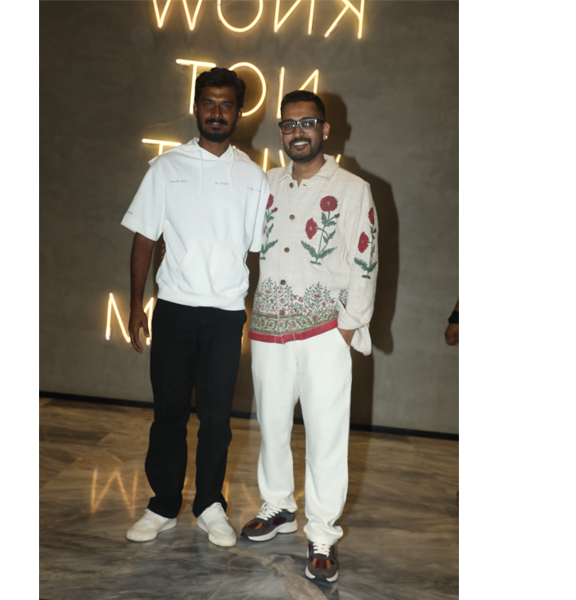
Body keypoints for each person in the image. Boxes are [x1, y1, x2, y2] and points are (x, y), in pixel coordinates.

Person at [121, 67, 270, 548]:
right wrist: (136, 303)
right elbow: (144, 239)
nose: (217, 112)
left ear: (239, 112)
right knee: (168, 414)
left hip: (226, 314)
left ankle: (209, 506)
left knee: (216, 420)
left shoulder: (254, 177)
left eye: (226, 105)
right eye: (209, 103)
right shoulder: (166, 167)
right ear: (196, 107)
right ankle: (163, 505)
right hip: (175, 309)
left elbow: (261, 251)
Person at [241, 90, 379, 582]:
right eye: (288, 124)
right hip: (268, 326)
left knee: (325, 434)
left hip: (325, 329)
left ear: (325, 129)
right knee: (272, 425)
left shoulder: (352, 188)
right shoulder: (267, 183)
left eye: (307, 123)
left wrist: (348, 326)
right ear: (281, 132)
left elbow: (365, 257)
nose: (297, 132)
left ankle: (321, 531)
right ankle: (279, 505)